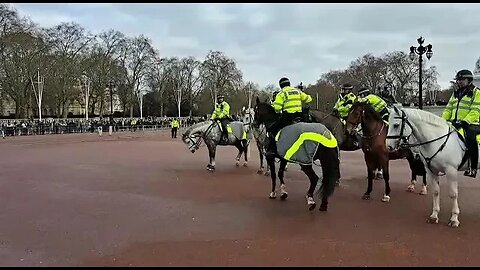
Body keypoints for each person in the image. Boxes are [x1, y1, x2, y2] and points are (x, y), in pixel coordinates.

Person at [442, 69, 480, 178]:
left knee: (470, 136)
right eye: (458, 80)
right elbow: (448, 109)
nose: (459, 82)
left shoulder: (476, 92)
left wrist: (465, 122)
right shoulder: (455, 94)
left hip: (474, 123)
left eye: (462, 79)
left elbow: (476, 110)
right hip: (456, 123)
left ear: (469, 80)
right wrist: (442, 121)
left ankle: (473, 168)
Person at [267, 77, 312, 154]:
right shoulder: (297, 91)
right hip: (300, 117)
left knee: (272, 129)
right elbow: (309, 99)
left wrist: (273, 105)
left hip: (288, 117)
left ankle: (273, 149)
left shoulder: (282, 93)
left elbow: (277, 108)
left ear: (281, 85)